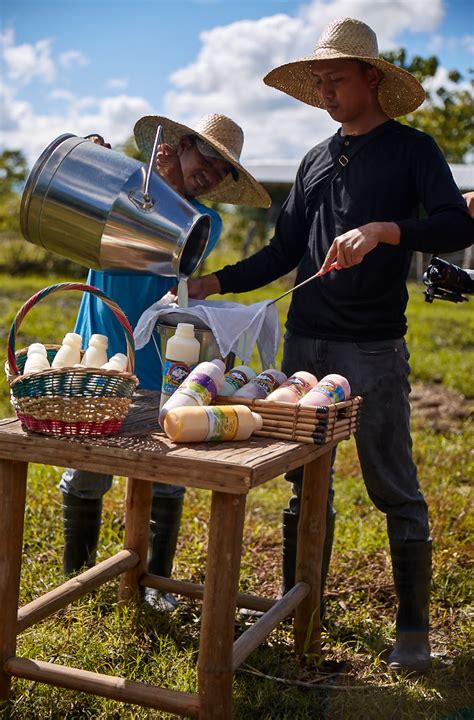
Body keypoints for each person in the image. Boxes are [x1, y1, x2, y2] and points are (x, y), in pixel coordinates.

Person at [186, 18, 473, 672]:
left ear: (371, 78)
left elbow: (454, 221)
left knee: (393, 485)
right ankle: (301, 611)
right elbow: (285, 251)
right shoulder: (315, 160)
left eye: (335, 79)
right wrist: (216, 281)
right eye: (317, 82)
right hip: (306, 342)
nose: (324, 92)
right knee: (306, 487)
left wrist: (383, 230)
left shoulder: (412, 150)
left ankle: (414, 630)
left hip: (372, 347)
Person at [59, 114, 271, 613]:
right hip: (98, 357)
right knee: (87, 473)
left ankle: (155, 583)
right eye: (207, 160)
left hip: (160, 367)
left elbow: (157, 237)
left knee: (165, 476)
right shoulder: (125, 193)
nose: (211, 175)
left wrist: (138, 180)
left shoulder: (202, 223)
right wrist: (97, 162)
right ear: (179, 146)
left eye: (223, 173)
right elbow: (87, 203)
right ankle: (77, 580)